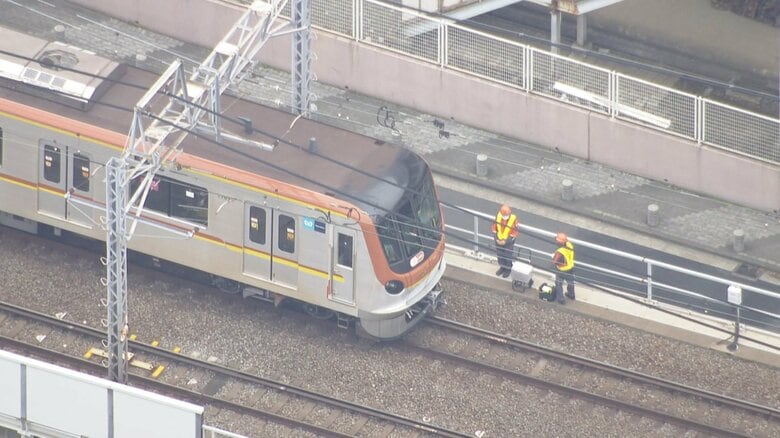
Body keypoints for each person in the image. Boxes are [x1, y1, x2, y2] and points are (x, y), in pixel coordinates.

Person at [492, 204, 520, 278]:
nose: (505, 216)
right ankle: (502, 267)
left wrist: (506, 241)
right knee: (500, 255)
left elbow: (514, 233)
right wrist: (497, 239)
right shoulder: (498, 217)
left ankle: (508, 269)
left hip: (508, 242)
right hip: (498, 240)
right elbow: (494, 229)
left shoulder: (513, 219)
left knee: (507, 256)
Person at [552, 232, 576, 303]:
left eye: (557, 241)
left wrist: (553, 257)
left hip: (562, 269)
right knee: (570, 282)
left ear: (560, 242)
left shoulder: (560, 251)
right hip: (570, 267)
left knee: (558, 283)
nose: (556, 242)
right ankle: (571, 294)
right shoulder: (570, 245)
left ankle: (561, 299)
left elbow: (555, 261)